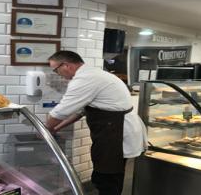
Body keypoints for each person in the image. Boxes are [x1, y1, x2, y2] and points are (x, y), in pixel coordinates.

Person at [46, 50, 147, 195]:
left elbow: (61, 112)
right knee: (106, 174)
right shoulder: (92, 74)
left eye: (56, 70)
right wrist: (56, 128)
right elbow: (81, 111)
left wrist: (47, 128)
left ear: (66, 66)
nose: (58, 74)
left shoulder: (85, 79)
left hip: (115, 132)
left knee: (108, 177)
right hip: (111, 130)